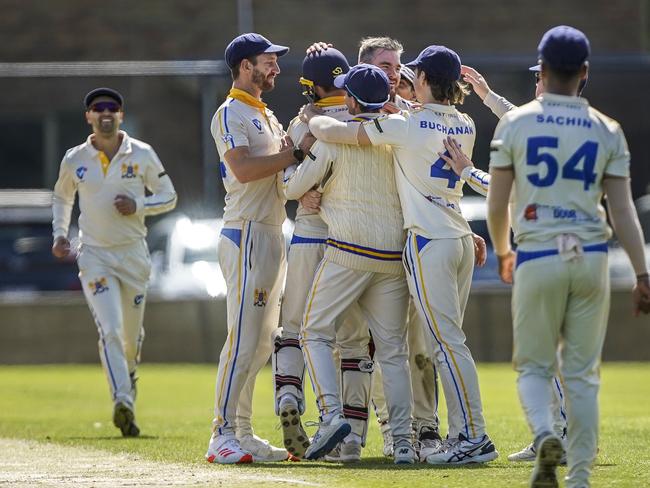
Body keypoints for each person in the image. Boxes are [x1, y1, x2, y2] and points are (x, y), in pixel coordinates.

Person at [307, 45, 499, 465]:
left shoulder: (405, 123)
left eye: (415, 74)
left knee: (447, 345)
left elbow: (337, 132)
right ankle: (459, 434)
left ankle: (474, 437)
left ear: (425, 79)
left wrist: (314, 116)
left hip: (428, 241)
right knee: (446, 344)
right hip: (461, 238)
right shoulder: (465, 121)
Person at [486, 25, 650, 487]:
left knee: (534, 367)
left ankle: (543, 434)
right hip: (592, 256)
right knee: (581, 377)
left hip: (537, 252)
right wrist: (643, 273)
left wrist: (502, 250)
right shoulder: (607, 129)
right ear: (584, 72)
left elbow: (498, 204)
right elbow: (622, 211)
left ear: (542, 69)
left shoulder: (516, 122)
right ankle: (579, 478)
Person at [287, 64, 417, 464]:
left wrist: (311, 190)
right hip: (392, 255)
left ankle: (330, 415)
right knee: (393, 351)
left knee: (314, 333)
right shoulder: (400, 136)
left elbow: (292, 187)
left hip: (347, 250)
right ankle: (404, 444)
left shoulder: (333, 140)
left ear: (352, 100)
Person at [205, 33, 312, 465]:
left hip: (271, 231)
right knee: (243, 339)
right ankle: (222, 433)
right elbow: (245, 169)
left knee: (263, 342)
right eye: (269, 62)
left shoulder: (264, 113)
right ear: (246, 66)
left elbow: (280, 178)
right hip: (245, 233)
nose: (276, 69)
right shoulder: (230, 112)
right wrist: (294, 158)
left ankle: (243, 432)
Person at [52, 87, 177, 437]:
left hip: (133, 254)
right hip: (94, 256)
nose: (105, 112)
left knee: (130, 337)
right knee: (109, 329)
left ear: (121, 115)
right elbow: (62, 198)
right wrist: (60, 234)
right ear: (88, 116)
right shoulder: (74, 158)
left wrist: (139, 205)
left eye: (112, 108)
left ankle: (129, 377)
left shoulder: (142, 154)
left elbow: (169, 196)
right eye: (97, 108)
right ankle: (123, 401)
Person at [275, 48, 375, 462]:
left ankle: (289, 395)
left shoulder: (301, 126)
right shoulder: (366, 119)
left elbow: (285, 185)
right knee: (353, 342)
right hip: (350, 241)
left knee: (293, 327)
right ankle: (351, 442)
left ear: (310, 86)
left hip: (309, 236)